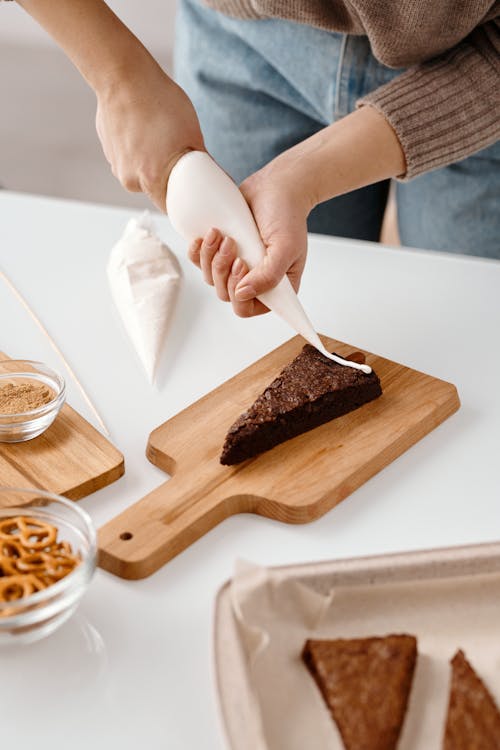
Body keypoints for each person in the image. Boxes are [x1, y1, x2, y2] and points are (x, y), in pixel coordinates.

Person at [9, 0, 500, 320]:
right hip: (244, 44)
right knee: (293, 313)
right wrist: (118, 75)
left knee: (471, 335)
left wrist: (301, 176)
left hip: (479, 71)